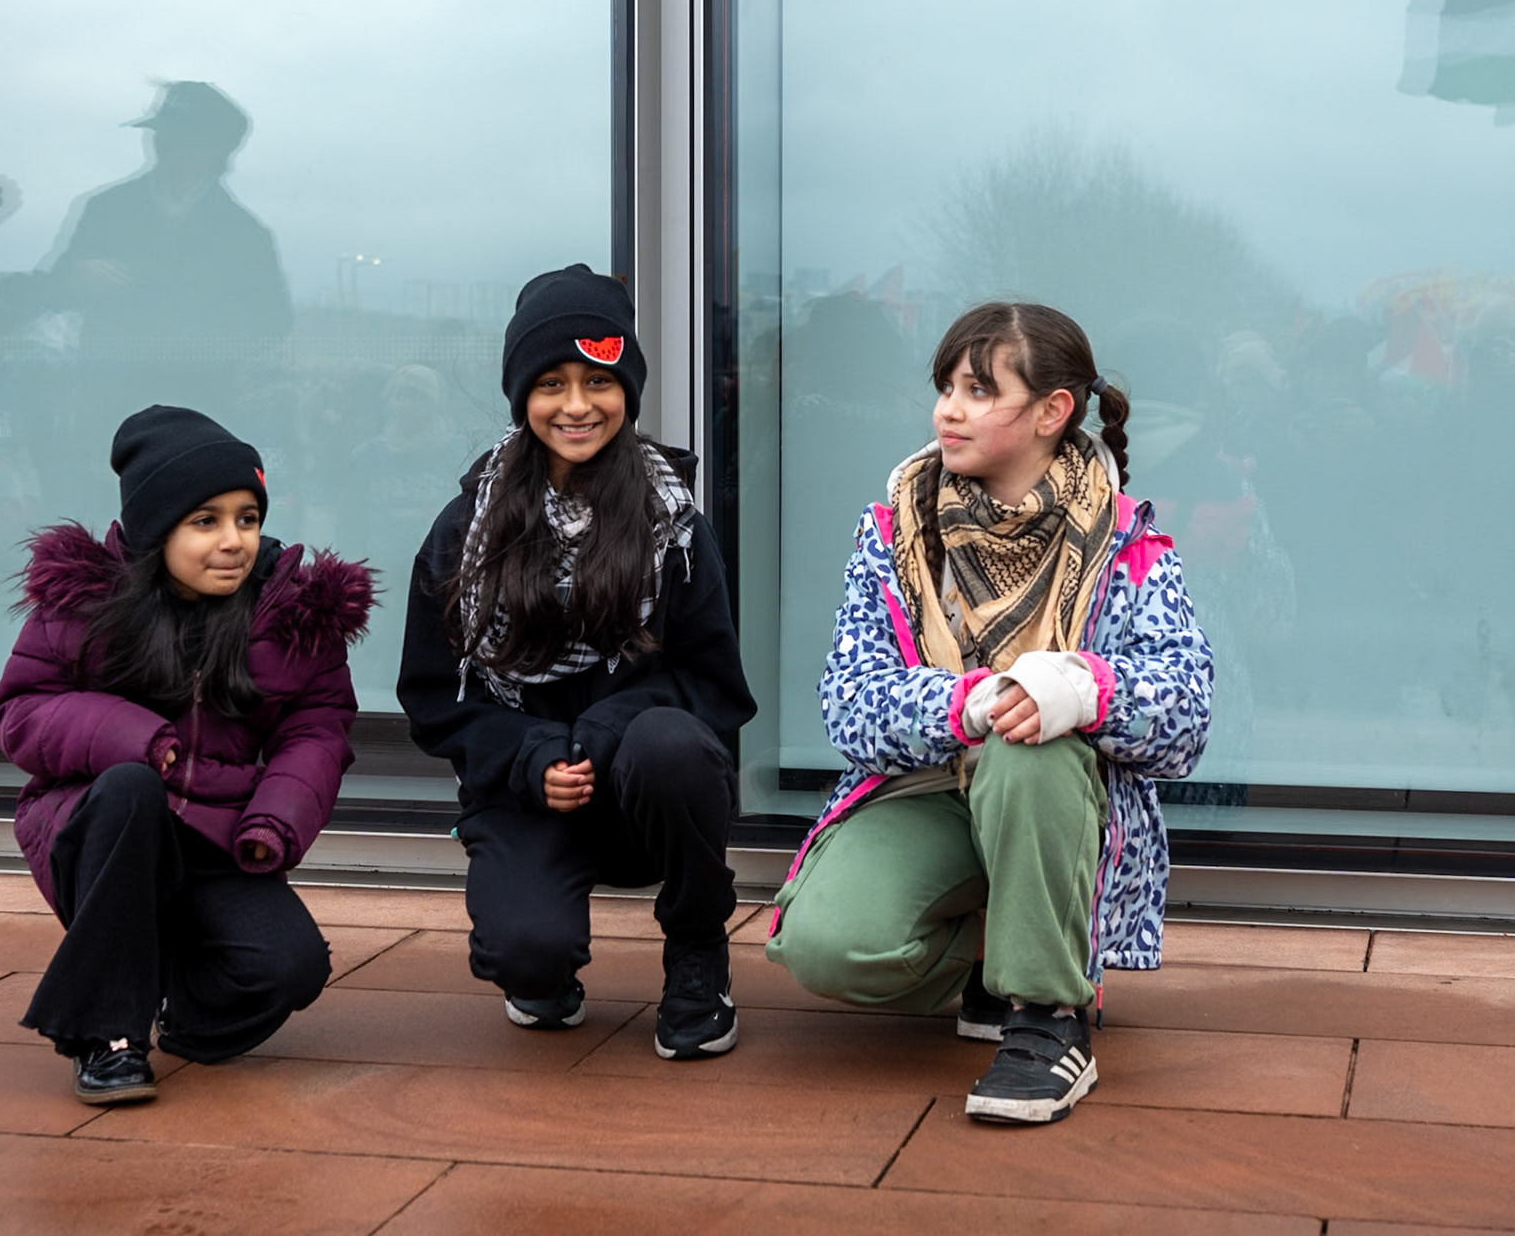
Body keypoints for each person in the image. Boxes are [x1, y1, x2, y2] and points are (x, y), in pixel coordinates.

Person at [764, 302, 1212, 1124]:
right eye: (945, 387)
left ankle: (1048, 1016)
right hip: (928, 787)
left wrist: (1081, 689)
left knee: (1034, 735)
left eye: (978, 389)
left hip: (1054, 799)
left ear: (1052, 412)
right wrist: (967, 700)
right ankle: (995, 958)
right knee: (827, 946)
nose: (948, 409)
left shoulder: (1127, 542)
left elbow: (1186, 712)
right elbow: (850, 701)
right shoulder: (892, 532)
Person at [397, 264, 757, 1059]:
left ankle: (698, 952)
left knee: (673, 747)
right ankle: (543, 957)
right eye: (551, 383)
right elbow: (431, 697)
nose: (576, 405)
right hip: (525, 792)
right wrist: (532, 760)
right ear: (520, 395)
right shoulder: (467, 528)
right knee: (526, 956)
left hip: (636, 787)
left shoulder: (676, 529)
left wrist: (605, 728)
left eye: (599, 381)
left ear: (628, 389)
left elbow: (714, 686)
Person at [0, 405, 373, 1103]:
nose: (234, 542)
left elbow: (316, 733)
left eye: (247, 518)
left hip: (214, 838)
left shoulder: (291, 618)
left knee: (292, 969)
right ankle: (107, 1034)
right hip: (100, 825)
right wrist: (138, 739)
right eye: (206, 521)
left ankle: (171, 1004)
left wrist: (273, 820)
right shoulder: (85, 604)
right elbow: (20, 713)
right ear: (154, 528)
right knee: (132, 789)